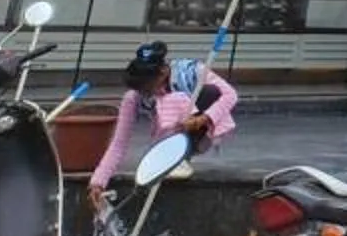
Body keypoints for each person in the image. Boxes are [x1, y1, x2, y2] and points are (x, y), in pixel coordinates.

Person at [88, 42, 238, 218]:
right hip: (165, 141)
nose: (145, 90)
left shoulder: (192, 71)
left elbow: (230, 95)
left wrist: (202, 119)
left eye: (147, 84)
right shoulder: (134, 97)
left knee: (207, 92)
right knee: (168, 102)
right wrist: (98, 181)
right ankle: (172, 158)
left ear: (164, 72)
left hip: (200, 131)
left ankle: (183, 157)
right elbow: (119, 143)